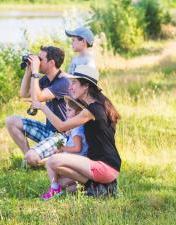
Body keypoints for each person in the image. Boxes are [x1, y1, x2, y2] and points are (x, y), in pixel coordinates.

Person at [32, 65, 122, 200]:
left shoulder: (92, 110)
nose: (70, 87)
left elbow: (61, 126)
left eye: (74, 83)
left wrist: (43, 107)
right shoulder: (99, 103)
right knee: (63, 183)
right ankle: (101, 187)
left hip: (104, 166)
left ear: (86, 86)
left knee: (52, 161)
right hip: (109, 165)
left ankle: (96, 185)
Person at [4, 46, 70, 167]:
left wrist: (35, 73)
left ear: (51, 63)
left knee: (31, 157)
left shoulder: (63, 82)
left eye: (40, 59)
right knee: (11, 121)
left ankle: (43, 160)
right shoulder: (47, 79)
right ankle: (30, 160)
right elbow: (24, 94)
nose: (37, 62)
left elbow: (38, 97)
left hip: (62, 136)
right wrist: (28, 71)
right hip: (49, 130)